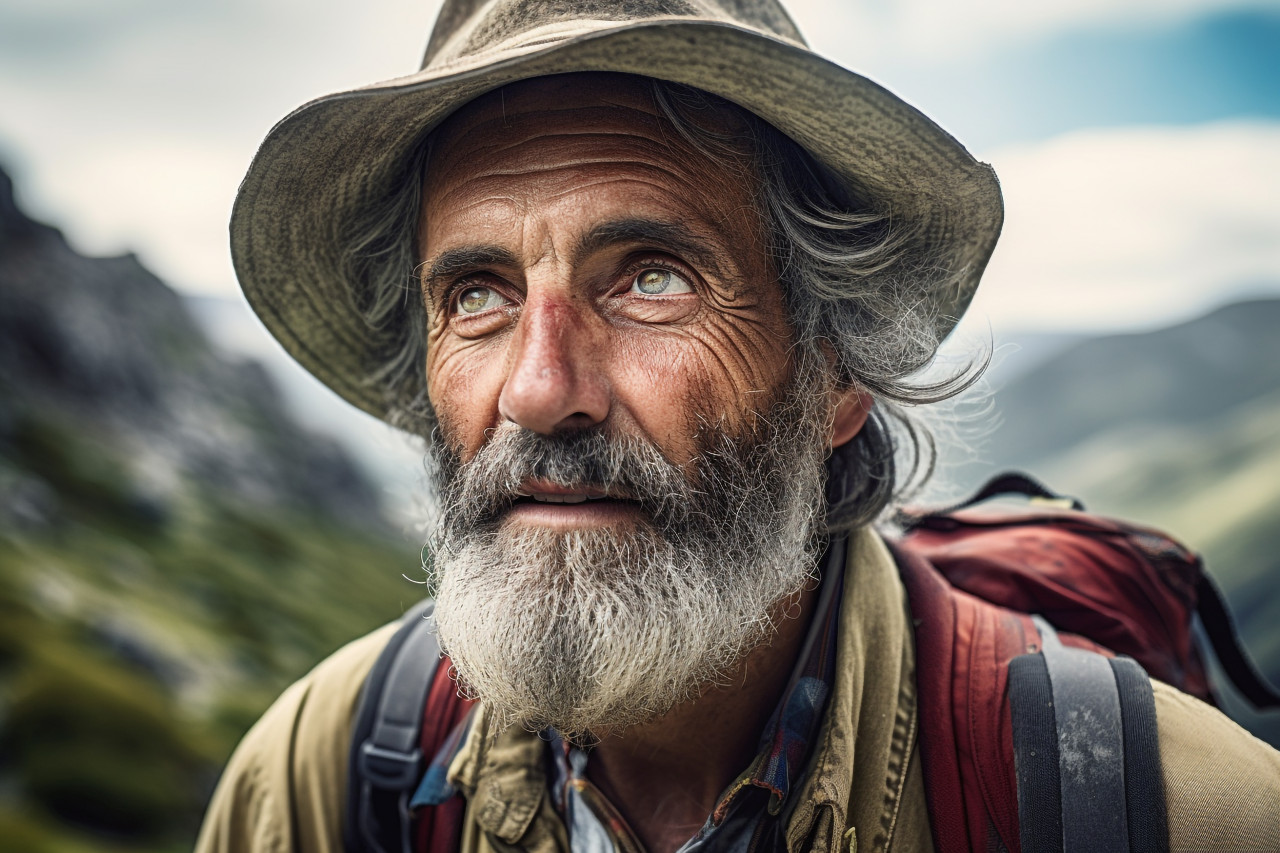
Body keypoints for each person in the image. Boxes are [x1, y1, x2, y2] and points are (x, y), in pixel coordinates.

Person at [197, 1, 1280, 851]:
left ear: (831, 374)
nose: (536, 389)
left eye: (652, 278)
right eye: (476, 294)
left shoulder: (1194, 818)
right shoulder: (321, 777)